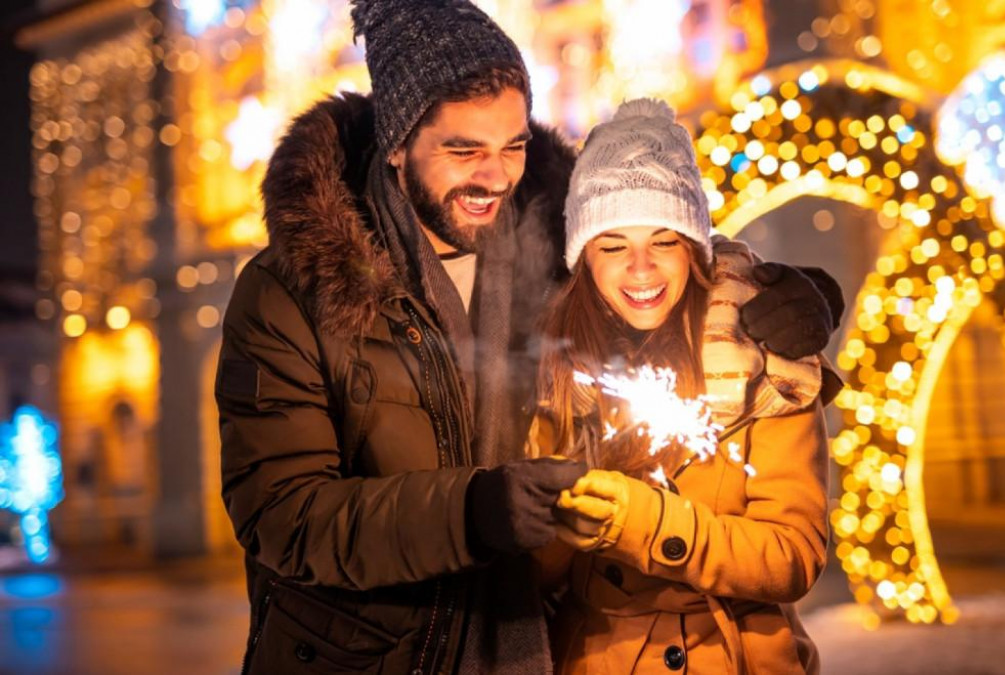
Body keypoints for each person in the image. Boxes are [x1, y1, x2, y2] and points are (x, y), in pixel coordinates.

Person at [215, 1, 843, 673]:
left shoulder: (554, 248)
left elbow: (654, 253)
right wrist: (472, 512)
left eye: (512, 146)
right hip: (368, 656)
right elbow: (285, 515)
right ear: (398, 144)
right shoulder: (293, 290)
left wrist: (788, 290)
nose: (495, 177)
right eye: (463, 151)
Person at [530, 99, 837, 674]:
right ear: (583, 260)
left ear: (696, 249)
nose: (641, 269)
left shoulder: (766, 361)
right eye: (614, 246)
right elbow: (528, 574)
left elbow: (794, 555)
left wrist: (647, 525)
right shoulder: (555, 374)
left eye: (665, 242)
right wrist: (558, 528)